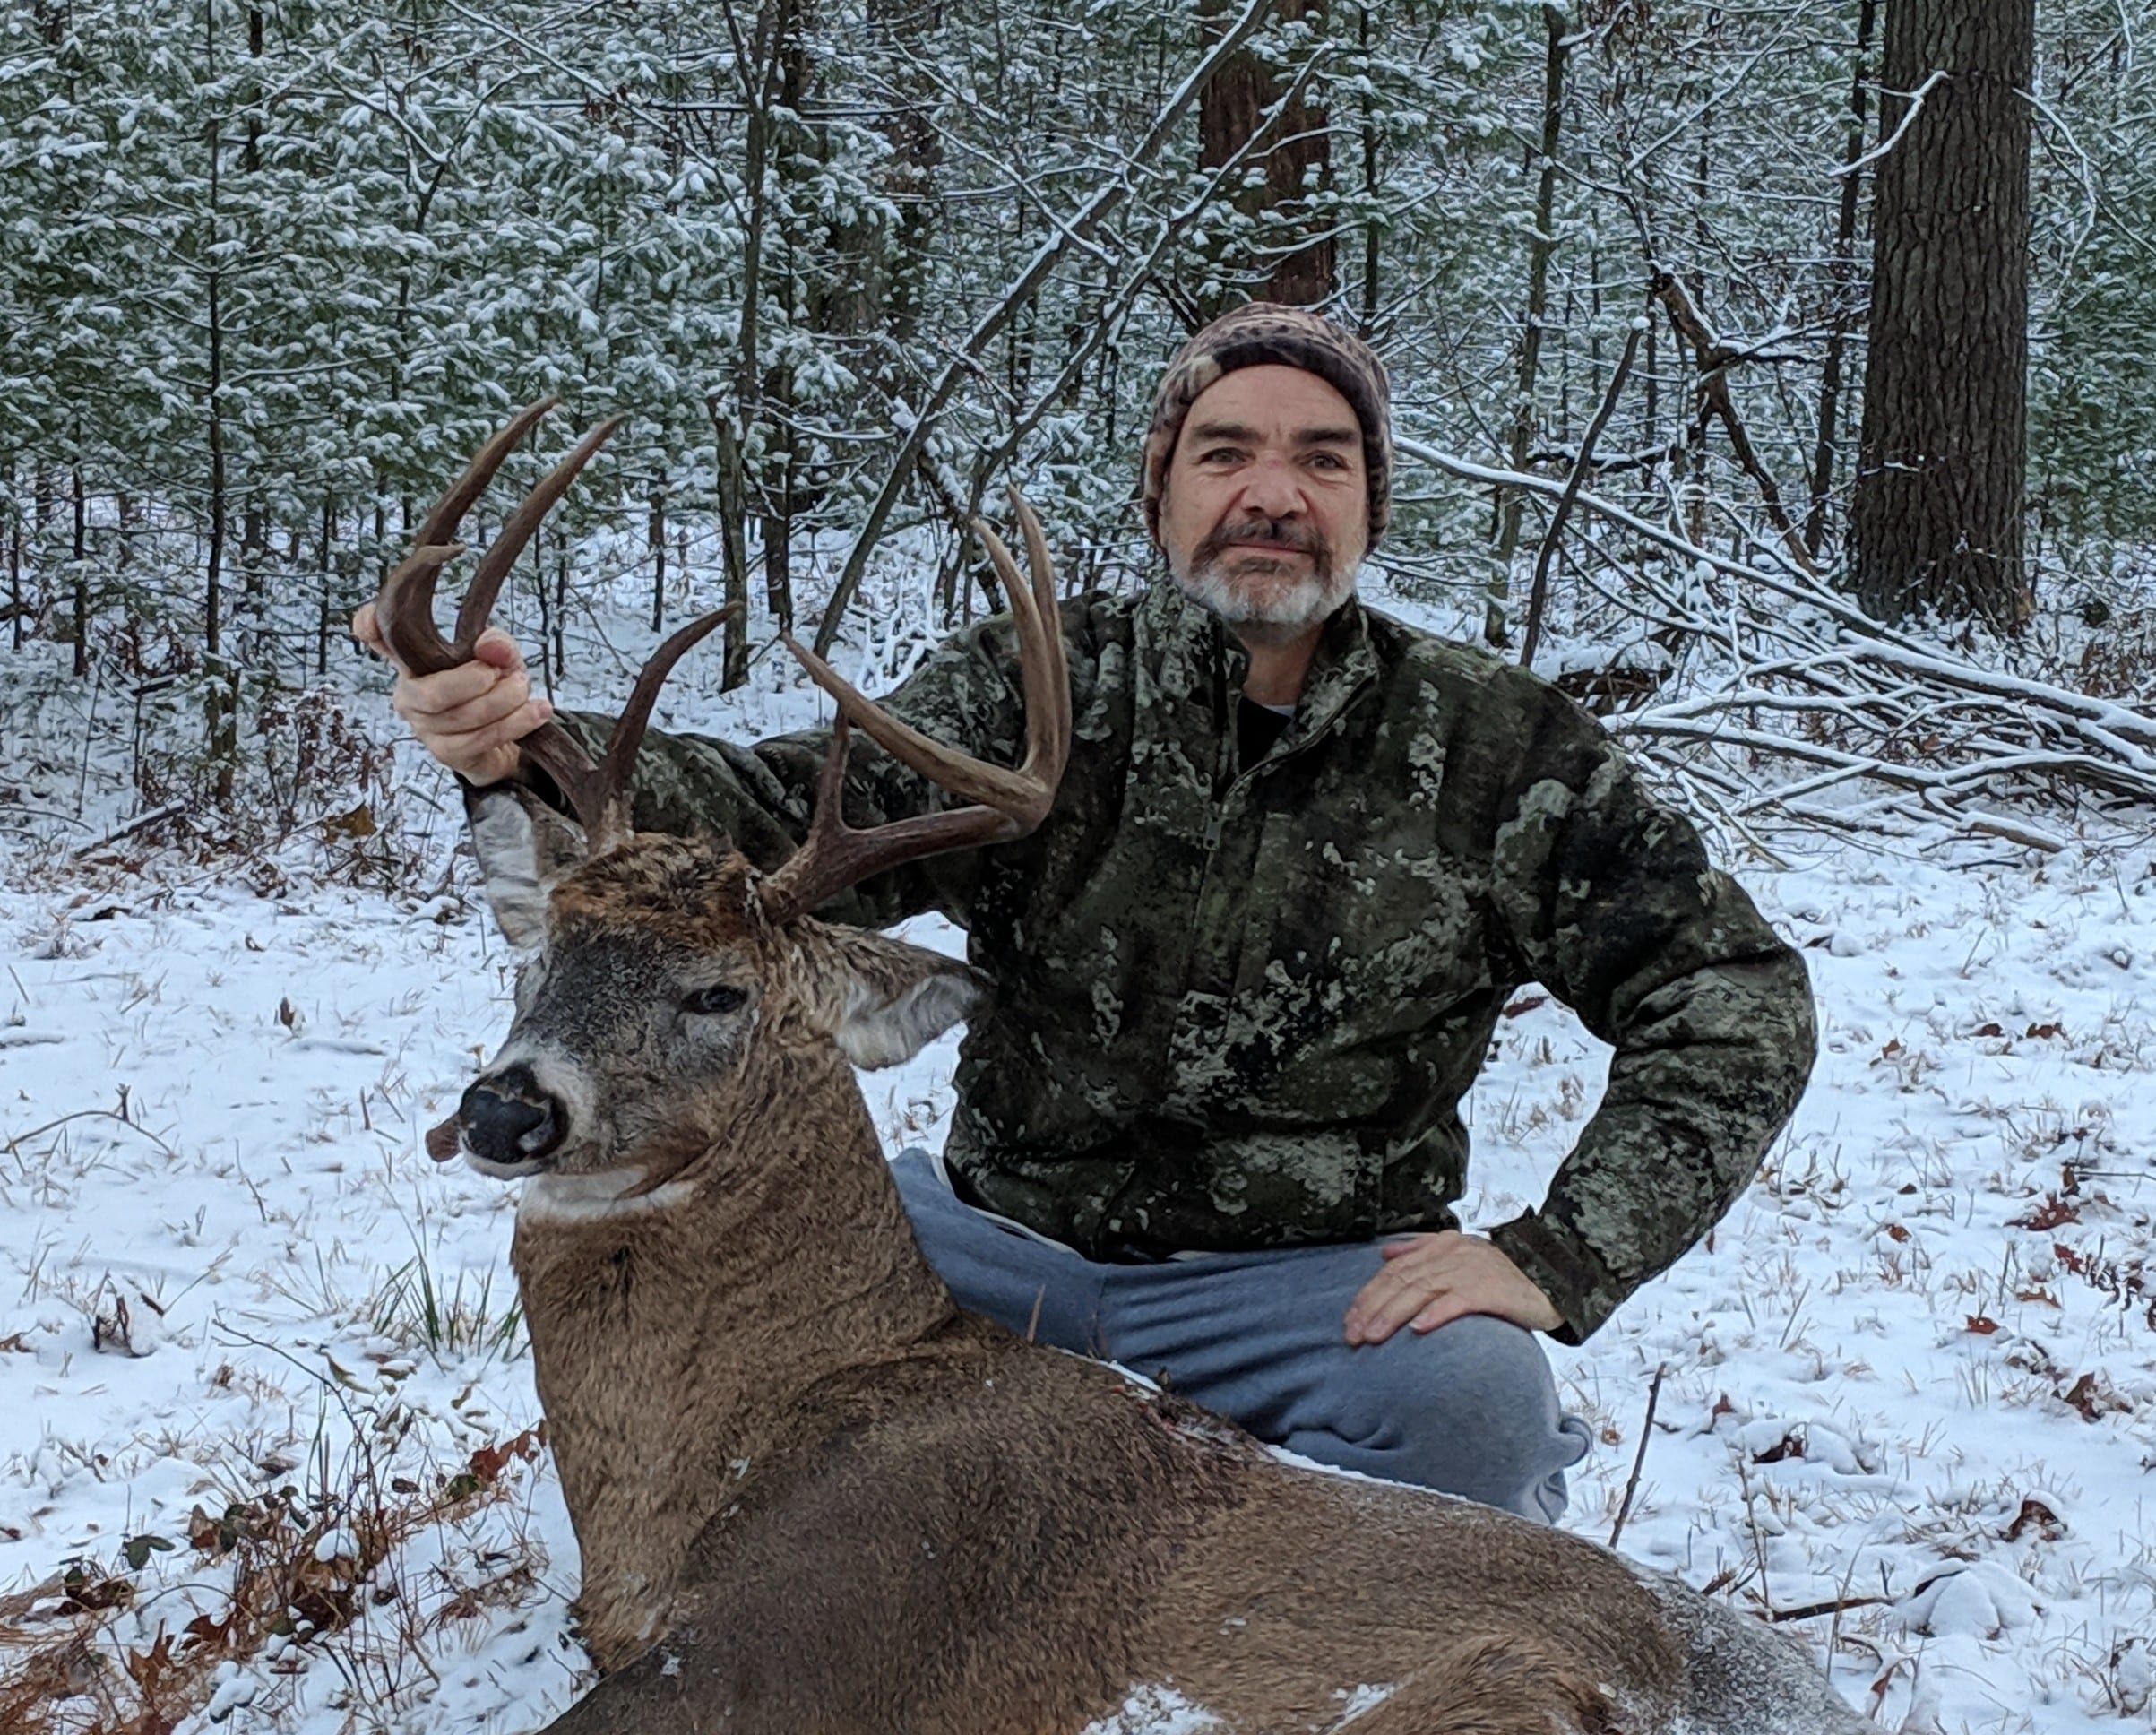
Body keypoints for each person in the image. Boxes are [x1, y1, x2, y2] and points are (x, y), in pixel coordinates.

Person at [355, 303, 1815, 1522]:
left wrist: (1553, 1258)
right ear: (1162, 491)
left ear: (1369, 501)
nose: (1270, 493)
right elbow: (763, 818)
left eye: (1321, 459)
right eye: (1224, 451)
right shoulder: (1037, 680)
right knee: (721, 1396)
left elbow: (1731, 995)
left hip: (1311, 1293)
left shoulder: (1499, 750)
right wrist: (521, 746)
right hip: (990, 1252)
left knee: (1473, 1424)